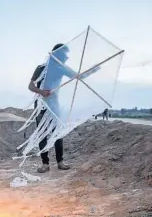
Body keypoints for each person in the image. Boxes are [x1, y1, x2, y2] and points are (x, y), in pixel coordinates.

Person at [28, 43, 100, 173]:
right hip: (41, 106)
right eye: (63, 54)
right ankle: (45, 164)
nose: (65, 57)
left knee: (57, 134)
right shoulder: (41, 68)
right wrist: (41, 92)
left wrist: (94, 69)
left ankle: (60, 162)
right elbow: (30, 86)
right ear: (55, 54)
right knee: (42, 134)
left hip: (54, 105)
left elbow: (79, 76)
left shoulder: (61, 68)